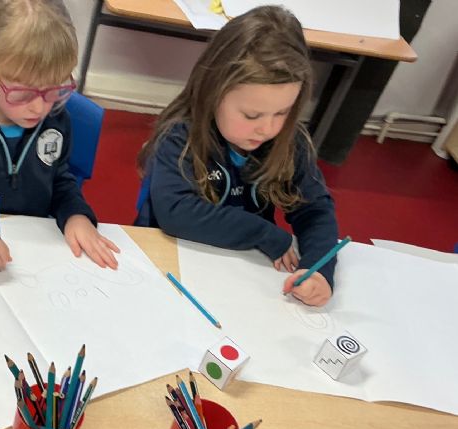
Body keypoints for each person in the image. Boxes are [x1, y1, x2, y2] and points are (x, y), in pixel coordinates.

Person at [135, 6, 339, 306]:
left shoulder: (289, 142)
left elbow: (315, 210)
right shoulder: (180, 137)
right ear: (213, 92)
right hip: (168, 262)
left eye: (282, 112)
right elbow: (177, 214)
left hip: (239, 272)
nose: (267, 128)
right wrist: (263, 233)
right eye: (251, 115)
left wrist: (319, 268)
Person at [0, 0, 119, 272]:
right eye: (22, 93)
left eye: (54, 90)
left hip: (31, 252)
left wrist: (76, 215)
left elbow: (60, 181)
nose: (39, 107)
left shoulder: (56, 118)